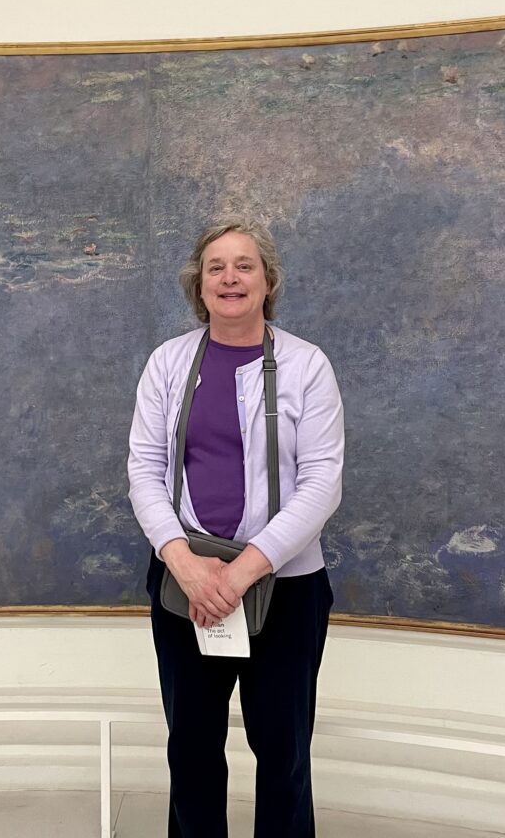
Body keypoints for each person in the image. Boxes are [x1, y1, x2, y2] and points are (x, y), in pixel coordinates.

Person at [127, 217, 344, 838]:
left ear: (268, 281)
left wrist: (244, 571)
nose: (230, 278)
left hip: (287, 590)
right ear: (198, 285)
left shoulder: (307, 366)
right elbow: (143, 469)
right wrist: (187, 565)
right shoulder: (167, 364)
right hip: (184, 585)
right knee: (191, 750)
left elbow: (322, 482)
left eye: (244, 265)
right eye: (216, 267)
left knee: (283, 754)